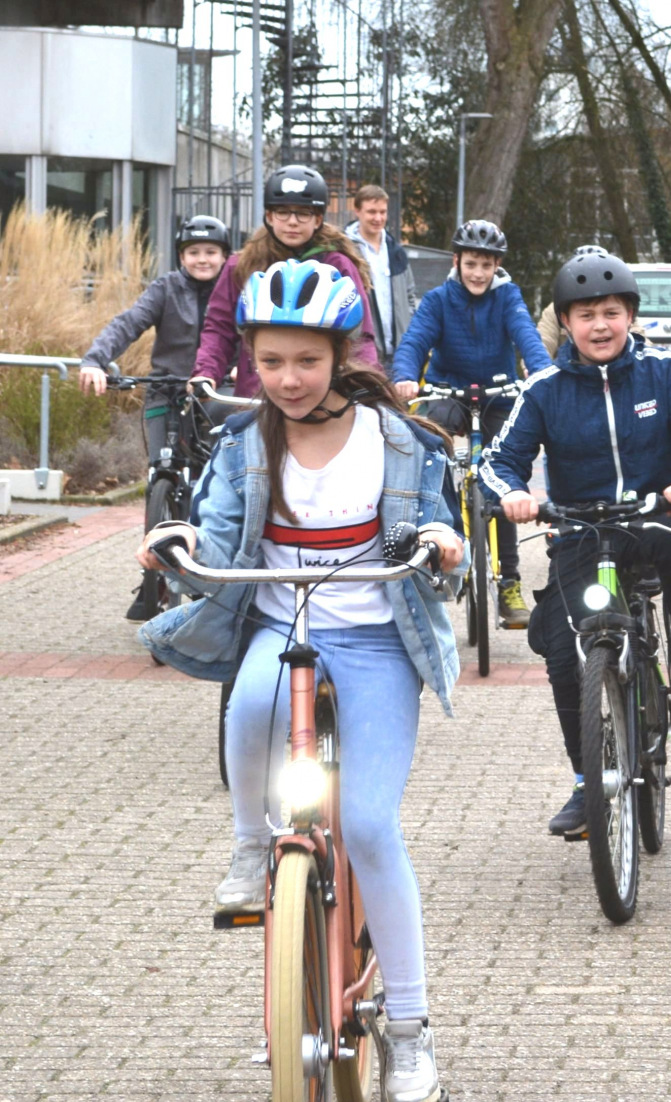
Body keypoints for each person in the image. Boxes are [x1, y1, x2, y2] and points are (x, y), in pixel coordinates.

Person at [135, 259, 464, 1102]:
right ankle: (253, 843)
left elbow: (434, 515)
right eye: (271, 361)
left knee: (368, 825)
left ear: (340, 356)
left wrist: (441, 539)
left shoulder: (397, 439)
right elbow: (209, 529)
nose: (287, 379)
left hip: (377, 641)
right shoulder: (246, 441)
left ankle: (412, 1031)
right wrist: (177, 546)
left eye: (306, 361)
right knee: (245, 707)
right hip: (281, 627)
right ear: (249, 358)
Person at [483, 249, 671, 836]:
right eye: (586, 314)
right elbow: (499, 461)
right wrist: (513, 494)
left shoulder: (662, 372)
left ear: (631, 316)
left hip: (653, 515)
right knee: (564, 652)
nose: (600, 325)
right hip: (580, 527)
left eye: (612, 312)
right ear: (565, 323)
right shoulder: (544, 388)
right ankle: (585, 781)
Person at [390, 219, 553, 627]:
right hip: (450, 393)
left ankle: (509, 582)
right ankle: (441, 544)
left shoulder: (508, 297)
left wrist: (544, 374)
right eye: (471, 264)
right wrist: (405, 376)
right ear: (458, 261)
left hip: (498, 393)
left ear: (496, 265)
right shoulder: (438, 299)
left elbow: (527, 337)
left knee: (503, 481)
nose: (478, 273)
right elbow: (415, 340)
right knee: (429, 449)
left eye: (487, 265)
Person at [80, 214, 233, 621]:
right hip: (166, 389)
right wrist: (96, 360)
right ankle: (154, 578)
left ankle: (216, 568)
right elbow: (127, 324)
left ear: (224, 255)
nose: (202, 259)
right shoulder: (165, 288)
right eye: (194, 252)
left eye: (211, 252)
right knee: (159, 477)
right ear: (182, 255)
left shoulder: (235, 289)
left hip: (217, 394)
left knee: (219, 481)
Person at [193, 165, 383, 397]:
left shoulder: (338, 265)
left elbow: (359, 335)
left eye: (303, 213)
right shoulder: (240, 266)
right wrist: (206, 372)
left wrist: (367, 381)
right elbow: (219, 327)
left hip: (322, 394)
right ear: (270, 217)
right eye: (283, 212)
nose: (293, 221)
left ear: (318, 219)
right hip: (259, 392)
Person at [348, 183, 418, 363]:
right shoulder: (346, 252)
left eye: (383, 212)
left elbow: (410, 295)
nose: (378, 218)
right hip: (362, 353)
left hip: (398, 353)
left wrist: (407, 327)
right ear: (357, 211)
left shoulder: (396, 252)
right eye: (371, 211)